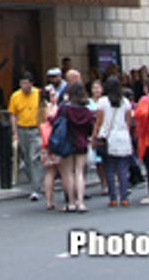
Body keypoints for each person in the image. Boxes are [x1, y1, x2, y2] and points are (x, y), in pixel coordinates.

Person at [91, 76, 133, 207]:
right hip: (123, 136)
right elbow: (128, 121)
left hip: (108, 137)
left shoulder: (102, 102)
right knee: (123, 168)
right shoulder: (125, 102)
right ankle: (124, 197)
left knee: (109, 168)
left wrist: (94, 137)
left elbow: (99, 122)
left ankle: (113, 198)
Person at [57, 82, 95, 213]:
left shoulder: (64, 109)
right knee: (80, 172)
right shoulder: (87, 111)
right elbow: (90, 128)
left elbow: (56, 122)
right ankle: (81, 202)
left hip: (67, 141)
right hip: (82, 142)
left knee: (68, 173)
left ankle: (71, 202)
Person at [7, 73, 42, 200]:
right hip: (22, 129)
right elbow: (13, 115)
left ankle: (36, 188)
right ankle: (34, 182)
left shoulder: (39, 94)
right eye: (22, 83)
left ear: (32, 84)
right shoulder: (15, 96)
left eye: (27, 83)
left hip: (35, 129)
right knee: (26, 159)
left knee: (34, 157)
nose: (24, 86)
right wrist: (15, 133)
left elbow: (43, 111)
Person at [38, 91, 62, 210]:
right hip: (56, 141)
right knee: (63, 170)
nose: (55, 97)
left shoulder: (40, 109)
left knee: (49, 172)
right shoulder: (53, 109)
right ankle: (70, 199)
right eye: (53, 95)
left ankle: (49, 200)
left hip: (45, 143)